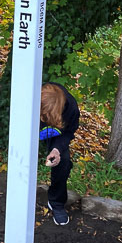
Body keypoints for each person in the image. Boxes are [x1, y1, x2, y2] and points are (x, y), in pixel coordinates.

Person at [39, 82, 80, 226]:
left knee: (63, 162)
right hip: (30, 130)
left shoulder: (71, 109)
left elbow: (68, 133)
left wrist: (56, 150)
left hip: (57, 134)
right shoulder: (32, 99)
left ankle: (56, 202)